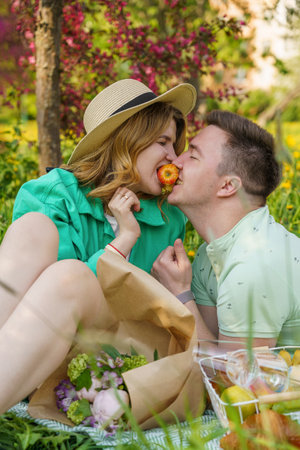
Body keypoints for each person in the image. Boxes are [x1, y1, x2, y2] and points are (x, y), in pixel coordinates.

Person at [0, 78, 197, 414]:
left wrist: (127, 238)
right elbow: (41, 297)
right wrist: (120, 243)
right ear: (127, 140)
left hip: (112, 350)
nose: (173, 157)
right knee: (34, 229)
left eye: (175, 144)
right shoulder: (52, 194)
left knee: (72, 276)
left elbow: (146, 313)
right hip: (34, 339)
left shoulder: (169, 217)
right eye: (162, 142)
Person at [151, 110, 300, 350]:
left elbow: (235, 378)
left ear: (228, 185)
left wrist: (180, 294)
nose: (176, 161)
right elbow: (210, 353)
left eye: (193, 155)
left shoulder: (254, 265)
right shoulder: (207, 256)